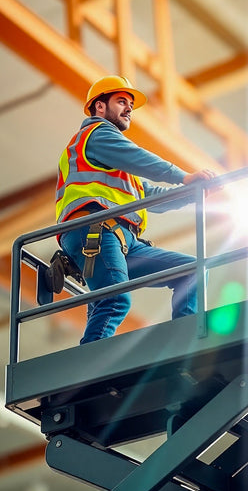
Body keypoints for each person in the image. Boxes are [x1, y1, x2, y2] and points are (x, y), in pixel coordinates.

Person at [56, 75, 216, 344]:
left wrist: (193, 193)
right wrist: (183, 176)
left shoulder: (116, 164)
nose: (129, 108)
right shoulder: (96, 134)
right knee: (115, 299)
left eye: (130, 103)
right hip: (94, 230)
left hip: (122, 240)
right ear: (100, 107)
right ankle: (87, 372)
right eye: (121, 101)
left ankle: (185, 342)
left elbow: (150, 195)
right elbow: (139, 158)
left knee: (192, 270)